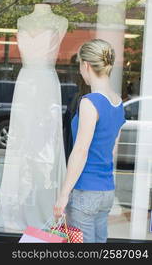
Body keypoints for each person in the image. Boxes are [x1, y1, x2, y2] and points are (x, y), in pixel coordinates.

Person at [0, 3, 68, 231]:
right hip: (26, 84)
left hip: (45, 83)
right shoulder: (22, 20)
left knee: (44, 146)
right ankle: (17, 208)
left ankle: (44, 207)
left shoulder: (60, 21)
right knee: (21, 144)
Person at [54, 39, 126, 243]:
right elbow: (112, 150)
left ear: (86, 65)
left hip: (85, 191)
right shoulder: (117, 102)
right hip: (105, 191)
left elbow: (80, 151)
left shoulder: (89, 102)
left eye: (79, 65)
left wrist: (63, 195)